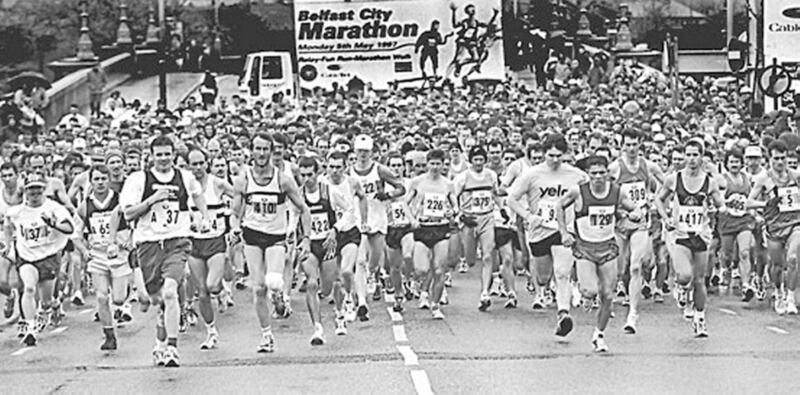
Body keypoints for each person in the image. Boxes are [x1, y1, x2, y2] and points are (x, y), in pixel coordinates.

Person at [120, 135, 212, 367]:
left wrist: (204, 215)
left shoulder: (184, 176)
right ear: (151, 156)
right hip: (149, 244)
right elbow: (129, 214)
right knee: (157, 300)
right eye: (158, 154)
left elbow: (198, 194)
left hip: (176, 241)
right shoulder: (138, 179)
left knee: (171, 292)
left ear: (174, 155)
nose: (163, 159)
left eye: (167, 154)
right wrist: (153, 199)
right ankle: (160, 342)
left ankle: (172, 347)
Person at [230, 132, 311, 353]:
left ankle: (279, 297)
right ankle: (267, 335)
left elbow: (304, 209)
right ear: (251, 151)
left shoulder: (283, 179)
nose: (262, 153)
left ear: (271, 151)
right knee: (258, 288)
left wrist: (306, 238)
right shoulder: (243, 179)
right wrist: (235, 227)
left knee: (274, 281)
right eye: (258, 148)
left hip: (276, 237)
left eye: (266, 149)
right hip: (252, 235)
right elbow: (235, 212)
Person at [556, 155, 641, 352]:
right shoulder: (579, 192)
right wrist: (563, 232)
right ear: (588, 175)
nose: (598, 177)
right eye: (593, 173)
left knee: (608, 295)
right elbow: (560, 205)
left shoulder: (616, 192)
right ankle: (580, 287)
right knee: (590, 291)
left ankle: (599, 334)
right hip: (585, 248)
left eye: (602, 173)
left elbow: (633, 207)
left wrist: (635, 213)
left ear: (607, 173)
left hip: (607, 247)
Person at [508, 133, 588, 338]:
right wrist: (528, 215)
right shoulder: (532, 174)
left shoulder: (576, 175)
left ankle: (563, 314)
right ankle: (545, 287)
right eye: (551, 155)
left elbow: (590, 195)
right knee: (543, 278)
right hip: (539, 230)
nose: (554, 159)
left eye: (559, 156)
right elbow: (512, 199)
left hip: (563, 230)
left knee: (562, 272)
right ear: (543, 153)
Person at [655, 139, 727, 337]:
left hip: (701, 235)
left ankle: (700, 318)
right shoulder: (673, 179)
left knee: (699, 280)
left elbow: (720, 204)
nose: (691, 159)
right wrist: (665, 217)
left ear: (702, 157)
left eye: (695, 154)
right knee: (685, 275)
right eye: (688, 154)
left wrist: (718, 208)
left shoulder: (709, 182)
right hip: (680, 234)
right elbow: (659, 199)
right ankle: (680, 286)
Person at [3, 173, 74, 346]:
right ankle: (30, 328)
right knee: (28, 288)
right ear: (25, 191)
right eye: (30, 190)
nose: (34, 193)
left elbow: (69, 228)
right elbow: (7, 222)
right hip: (27, 257)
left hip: (48, 256)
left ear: (43, 189)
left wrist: (53, 224)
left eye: (37, 189)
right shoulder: (17, 211)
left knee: (46, 301)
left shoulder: (54, 208)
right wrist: (7, 244)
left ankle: (53, 306)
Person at [609, 128, 664, 334]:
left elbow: (666, 183)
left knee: (635, 266)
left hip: (641, 221)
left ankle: (632, 314)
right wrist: (622, 213)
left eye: (635, 144)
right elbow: (606, 195)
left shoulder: (648, 166)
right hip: (621, 222)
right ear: (622, 145)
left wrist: (653, 198)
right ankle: (609, 298)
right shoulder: (615, 168)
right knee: (619, 269)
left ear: (640, 144)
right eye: (628, 144)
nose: (631, 148)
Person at [73, 165, 131, 350]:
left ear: (109, 180)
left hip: (118, 254)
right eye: (96, 179)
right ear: (90, 181)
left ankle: (126, 292)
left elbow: (133, 223)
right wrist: (83, 250)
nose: (100, 183)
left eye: (103, 179)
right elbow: (75, 234)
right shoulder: (85, 206)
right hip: (97, 255)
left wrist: (127, 242)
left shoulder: (120, 200)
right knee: (101, 297)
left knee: (119, 299)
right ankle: (109, 335)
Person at [349, 134, 405, 319]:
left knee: (375, 256)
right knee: (360, 261)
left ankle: (374, 274)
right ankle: (361, 299)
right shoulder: (349, 172)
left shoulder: (379, 169)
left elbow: (400, 186)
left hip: (378, 216)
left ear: (372, 152)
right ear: (355, 151)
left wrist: (387, 196)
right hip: (357, 217)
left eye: (366, 152)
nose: (363, 155)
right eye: (360, 151)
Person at [186, 148, 234, 350]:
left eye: (201, 163)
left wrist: (233, 216)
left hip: (216, 240)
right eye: (193, 164)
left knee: (213, 285)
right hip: (194, 241)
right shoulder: (186, 184)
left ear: (207, 163)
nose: (197, 167)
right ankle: (211, 331)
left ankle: (223, 286)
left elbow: (241, 197)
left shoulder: (218, 183)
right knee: (203, 291)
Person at [746, 140, 800, 315]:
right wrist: (767, 204)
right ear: (769, 159)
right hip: (774, 227)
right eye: (776, 158)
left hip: (794, 224)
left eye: (783, 158)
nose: (780, 162)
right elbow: (749, 202)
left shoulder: (795, 176)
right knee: (776, 266)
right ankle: (778, 292)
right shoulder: (764, 178)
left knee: (792, 259)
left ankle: (791, 298)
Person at [407, 149, 459, 319]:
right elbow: (405, 204)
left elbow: (455, 206)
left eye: (438, 163)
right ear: (427, 164)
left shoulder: (448, 184)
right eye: (432, 163)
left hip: (441, 227)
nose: (435, 167)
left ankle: (435, 305)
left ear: (443, 164)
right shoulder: (417, 182)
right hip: (422, 227)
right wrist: (412, 219)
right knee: (422, 269)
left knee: (439, 270)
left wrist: (453, 213)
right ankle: (420, 284)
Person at [322, 151, 368, 323]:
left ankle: (349, 299)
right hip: (328, 236)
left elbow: (362, 198)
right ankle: (339, 309)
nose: (334, 171)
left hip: (349, 231)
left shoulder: (352, 182)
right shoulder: (321, 184)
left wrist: (363, 219)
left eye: (338, 167)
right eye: (331, 167)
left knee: (347, 270)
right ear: (326, 166)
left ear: (345, 167)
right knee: (333, 279)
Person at [453, 146, 501, 310]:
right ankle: (471, 263)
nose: (479, 163)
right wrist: (459, 215)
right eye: (476, 160)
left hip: (487, 217)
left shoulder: (491, 175)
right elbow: (453, 198)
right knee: (471, 260)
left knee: (488, 255)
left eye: (481, 159)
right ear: (470, 160)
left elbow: (495, 194)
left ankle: (485, 292)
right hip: (469, 219)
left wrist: (502, 210)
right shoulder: (462, 178)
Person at [717, 148, 756, 302]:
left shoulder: (748, 178)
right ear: (726, 163)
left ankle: (746, 285)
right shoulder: (722, 179)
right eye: (731, 161)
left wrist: (755, 211)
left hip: (744, 220)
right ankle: (725, 268)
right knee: (727, 254)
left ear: (742, 163)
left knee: (744, 252)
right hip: (727, 220)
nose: (734, 164)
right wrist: (727, 202)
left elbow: (751, 197)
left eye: (737, 161)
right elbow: (717, 198)